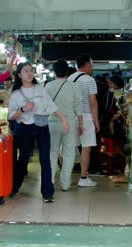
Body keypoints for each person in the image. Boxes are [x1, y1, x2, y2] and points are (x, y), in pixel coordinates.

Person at [8, 62, 70, 203]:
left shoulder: (40, 89)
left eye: (31, 71)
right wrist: (23, 109)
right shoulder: (16, 93)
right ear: (19, 75)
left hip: (42, 127)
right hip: (24, 128)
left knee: (45, 159)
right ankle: (14, 187)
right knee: (23, 159)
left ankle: (47, 193)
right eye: (26, 71)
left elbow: (52, 106)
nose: (29, 73)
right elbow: (11, 116)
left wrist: (64, 121)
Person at [46, 59, 83, 192]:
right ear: (67, 72)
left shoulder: (48, 86)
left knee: (52, 153)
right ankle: (65, 184)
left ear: (54, 71)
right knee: (68, 153)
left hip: (52, 123)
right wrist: (81, 124)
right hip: (70, 123)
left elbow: (45, 106)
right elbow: (79, 107)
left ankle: (49, 181)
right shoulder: (73, 87)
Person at [67, 54, 99, 187]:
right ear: (86, 65)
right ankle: (83, 177)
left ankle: (66, 177)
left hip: (70, 116)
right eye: (91, 64)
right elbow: (93, 102)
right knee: (86, 147)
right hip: (85, 116)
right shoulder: (89, 80)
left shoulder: (69, 78)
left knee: (70, 148)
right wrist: (96, 120)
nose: (92, 67)